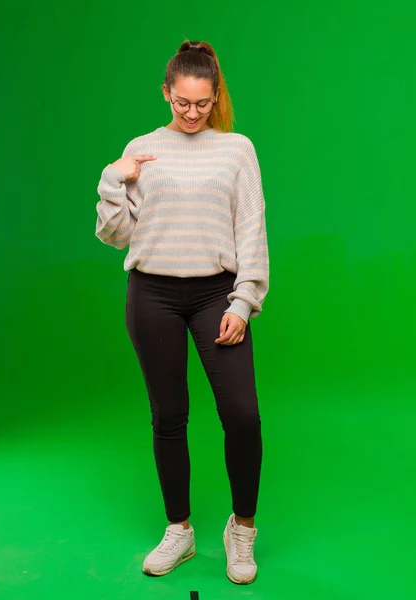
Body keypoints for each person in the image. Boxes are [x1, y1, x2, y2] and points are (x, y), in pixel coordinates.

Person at [95, 39, 270, 585]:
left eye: (202, 103)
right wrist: (113, 178)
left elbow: (251, 229)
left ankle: (241, 530)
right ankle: (180, 531)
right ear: (167, 92)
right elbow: (115, 235)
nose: (192, 114)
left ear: (215, 95)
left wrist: (243, 301)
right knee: (168, 417)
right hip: (152, 294)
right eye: (181, 103)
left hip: (216, 293)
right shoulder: (142, 149)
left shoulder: (237, 149)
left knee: (242, 415)